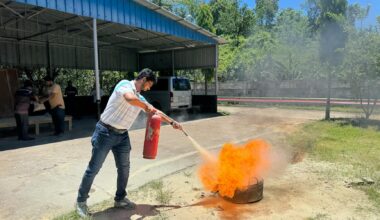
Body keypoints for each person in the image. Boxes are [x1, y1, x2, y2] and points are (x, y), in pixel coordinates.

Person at [75, 68, 182, 217]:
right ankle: (80, 202)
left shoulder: (140, 97)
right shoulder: (124, 85)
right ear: (143, 79)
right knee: (94, 168)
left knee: (124, 168)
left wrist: (172, 122)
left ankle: (120, 199)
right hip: (105, 132)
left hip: (122, 135)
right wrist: (146, 107)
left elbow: (155, 111)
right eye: (149, 84)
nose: (149, 88)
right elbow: (129, 98)